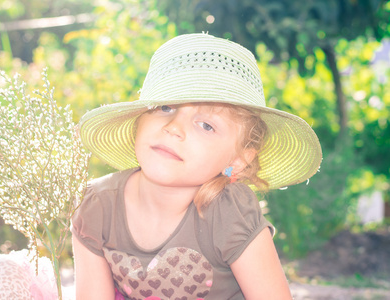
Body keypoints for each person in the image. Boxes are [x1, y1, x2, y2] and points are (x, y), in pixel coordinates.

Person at [71, 33, 322, 299]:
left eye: (206, 125)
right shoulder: (96, 205)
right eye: (165, 107)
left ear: (237, 160)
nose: (174, 127)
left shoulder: (229, 214)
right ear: (139, 120)